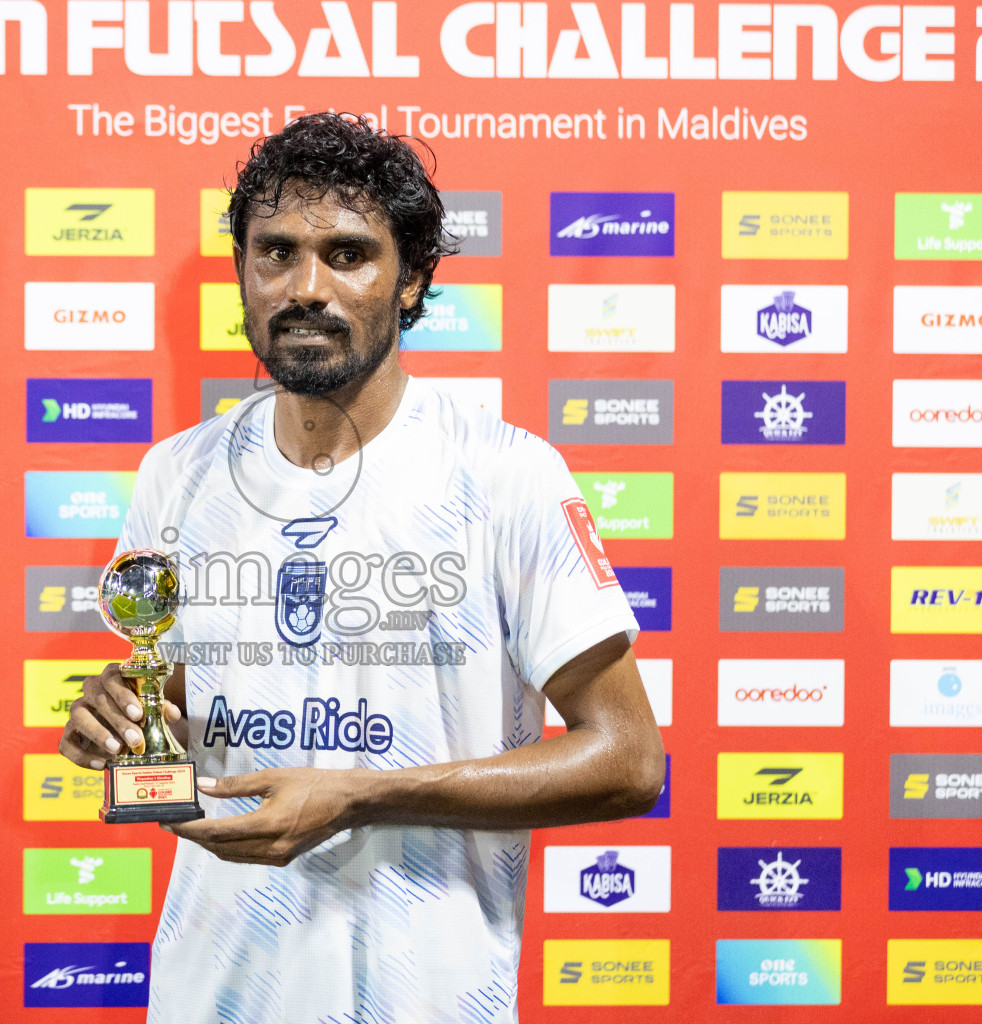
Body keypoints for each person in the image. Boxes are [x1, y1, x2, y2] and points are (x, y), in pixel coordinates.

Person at [58, 112, 665, 1024]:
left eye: (348, 253)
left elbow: (628, 762)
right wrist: (122, 725)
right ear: (243, 273)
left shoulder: (503, 472)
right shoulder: (175, 474)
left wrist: (362, 795)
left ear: (412, 278)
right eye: (276, 253)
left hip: (429, 998)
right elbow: (176, 702)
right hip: (213, 994)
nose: (307, 286)